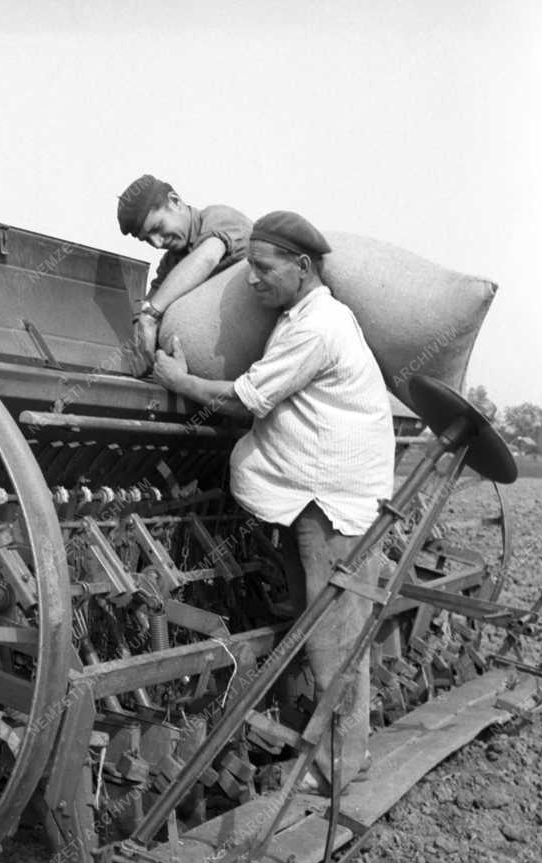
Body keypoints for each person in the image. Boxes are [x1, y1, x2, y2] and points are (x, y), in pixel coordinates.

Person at [152, 210, 395, 791]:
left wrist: (180, 380)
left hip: (333, 503)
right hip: (321, 497)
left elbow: (246, 399)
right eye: (251, 268)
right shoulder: (301, 317)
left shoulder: (318, 327)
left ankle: (335, 765)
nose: (254, 280)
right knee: (331, 621)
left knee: (333, 630)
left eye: (264, 269)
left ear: (303, 267)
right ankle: (342, 751)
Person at [117, 175, 252, 371]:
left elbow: (207, 258)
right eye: (147, 239)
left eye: (158, 228)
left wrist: (151, 316)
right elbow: (148, 303)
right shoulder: (170, 262)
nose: (157, 243)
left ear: (175, 201)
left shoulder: (218, 217)